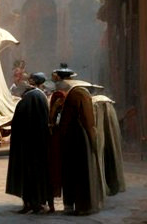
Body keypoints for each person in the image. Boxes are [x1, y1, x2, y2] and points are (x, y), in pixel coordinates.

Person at [50, 66, 102, 215]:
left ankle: (81, 206)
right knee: (77, 173)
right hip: (76, 139)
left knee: (78, 174)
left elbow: (83, 120)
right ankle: (78, 205)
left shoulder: (77, 94)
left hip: (76, 139)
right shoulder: (75, 94)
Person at [5, 72, 52, 214]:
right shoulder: (42, 97)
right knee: (38, 174)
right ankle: (38, 203)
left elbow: (18, 122)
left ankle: (29, 204)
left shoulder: (27, 97)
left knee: (27, 174)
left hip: (26, 143)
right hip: (39, 143)